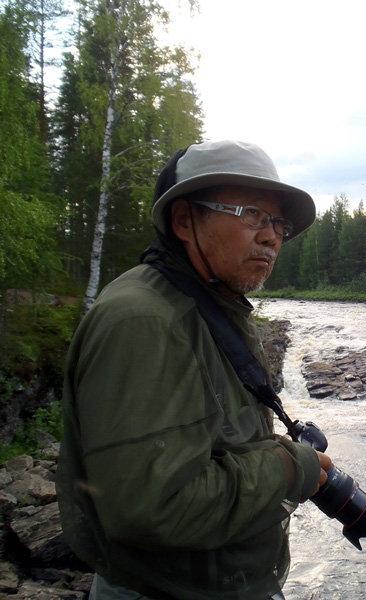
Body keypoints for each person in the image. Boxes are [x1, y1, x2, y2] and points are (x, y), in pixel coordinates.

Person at [56, 140, 333, 600]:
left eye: (277, 222)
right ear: (185, 221)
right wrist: (292, 467)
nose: (270, 236)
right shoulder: (142, 321)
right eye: (251, 214)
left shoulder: (210, 306)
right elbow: (153, 505)